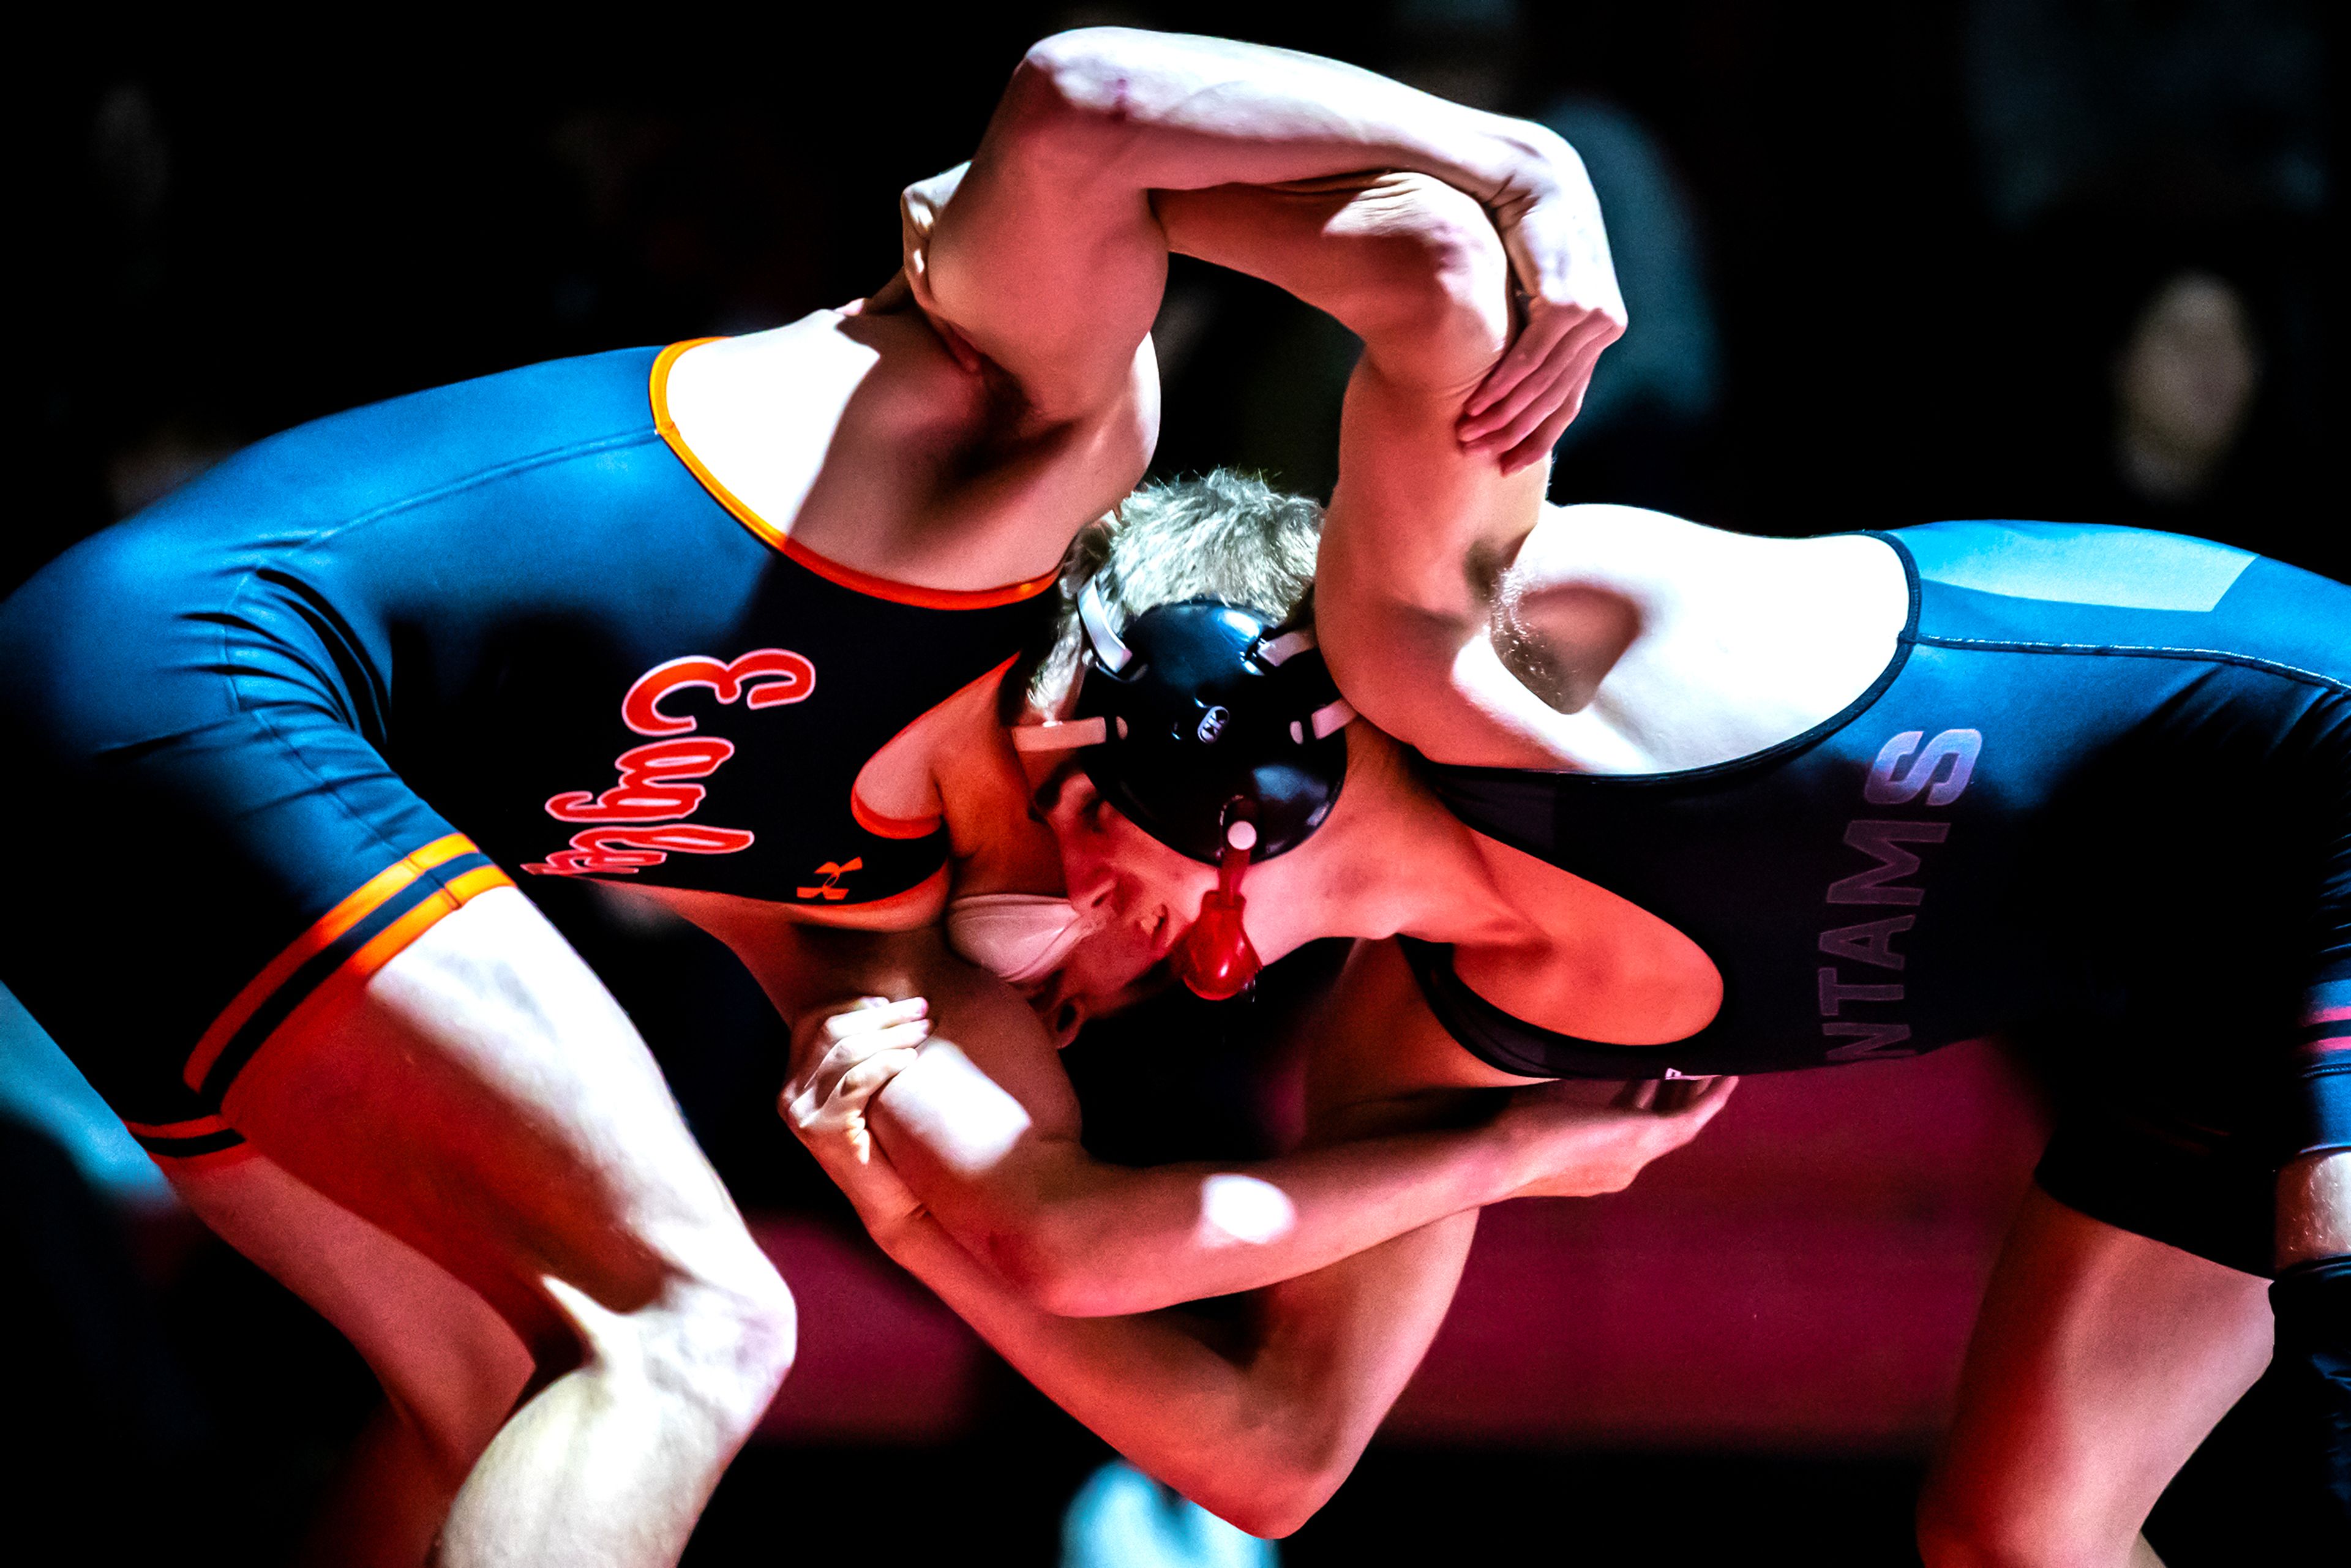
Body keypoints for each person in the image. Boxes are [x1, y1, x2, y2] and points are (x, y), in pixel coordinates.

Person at [0, 31, 1636, 1566]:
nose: (1174, 956)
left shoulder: (877, 939)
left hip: (117, 801)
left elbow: (1142, 1320)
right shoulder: (1025, 455)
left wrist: (1498, 1147)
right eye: (1236, 855)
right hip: (200, 665)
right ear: (1202, 690)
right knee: (695, 1325)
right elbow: (1081, 106)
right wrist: (1515, 163)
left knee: (520, 1393)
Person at [797, 164, 2351, 1557]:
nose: (1066, 895)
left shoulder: (1458, 650)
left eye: (1077, 796)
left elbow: (1436, 269)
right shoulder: (1425, 1050)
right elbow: (1272, 1455)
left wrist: (1514, 183)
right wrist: (905, 1223)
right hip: (2209, 977)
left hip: (2320, 775)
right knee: (2024, 1539)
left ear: (1222, 696)